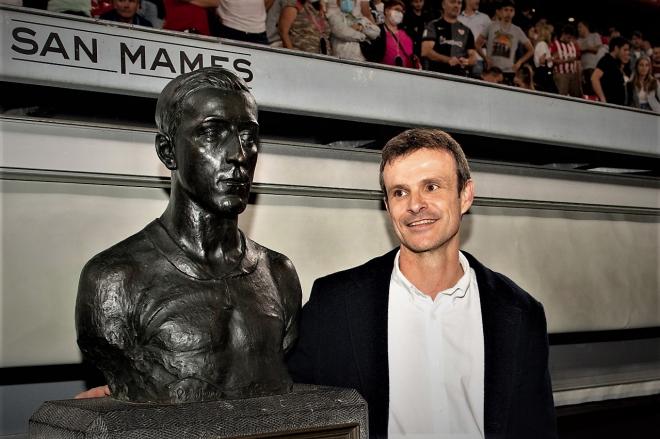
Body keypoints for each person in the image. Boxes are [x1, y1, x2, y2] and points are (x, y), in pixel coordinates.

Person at [287, 128, 557, 439]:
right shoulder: (334, 305)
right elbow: (291, 416)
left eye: (431, 187)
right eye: (400, 192)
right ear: (388, 206)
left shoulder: (520, 314)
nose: (415, 205)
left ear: (465, 195)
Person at [76, 67, 302, 403]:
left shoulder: (279, 274)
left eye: (248, 136)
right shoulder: (114, 280)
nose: (238, 155)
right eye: (212, 133)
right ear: (168, 151)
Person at [476, 0, 534, 84]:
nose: (508, 13)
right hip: (492, 71)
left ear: (514, 13)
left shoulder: (517, 30)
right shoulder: (491, 26)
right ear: (500, 11)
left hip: (509, 72)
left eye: (511, 10)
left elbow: (531, 50)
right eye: (506, 10)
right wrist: (485, 58)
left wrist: (519, 62)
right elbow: (477, 44)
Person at [421, 0, 476, 77]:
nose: (456, 5)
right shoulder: (433, 26)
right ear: (443, 4)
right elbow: (425, 51)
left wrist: (467, 61)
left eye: (459, 3)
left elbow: (473, 56)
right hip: (436, 75)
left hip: (459, 77)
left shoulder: (467, 30)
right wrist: (448, 60)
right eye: (452, 2)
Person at [591, 36, 630, 105]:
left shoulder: (617, 63)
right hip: (609, 106)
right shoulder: (606, 60)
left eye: (628, 50)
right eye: (625, 50)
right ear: (616, 48)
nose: (627, 52)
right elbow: (594, 78)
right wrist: (602, 99)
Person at [458, 0, 491, 78]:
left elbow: (492, 38)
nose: (478, 1)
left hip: (480, 58)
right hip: (462, 58)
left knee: (477, 80)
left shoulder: (485, 18)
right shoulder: (458, 18)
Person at [380, 0, 416, 68]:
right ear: (387, 11)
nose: (399, 13)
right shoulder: (378, 32)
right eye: (397, 9)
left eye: (401, 11)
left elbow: (410, 57)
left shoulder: (406, 34)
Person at [550, 25, 581, 97]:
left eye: (571, 38)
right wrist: (567, 60)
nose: (569, 39)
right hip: (561, 75)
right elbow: (552, 61)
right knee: (562, 96)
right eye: (568, 37)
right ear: (563, 34)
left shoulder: (573, 45)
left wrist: (578, 74)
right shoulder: (555, 44)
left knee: (576, 96)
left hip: (573, 74)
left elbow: (577, 60)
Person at [576, 20, 604, 96]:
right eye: (578, 27)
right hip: (584, 69)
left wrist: (584, 49)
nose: (578, 29)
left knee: (595, 90)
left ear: (586, 27)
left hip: (595, 67)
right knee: (587, 91)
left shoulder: (595, 36)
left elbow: (596, 49)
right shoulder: (578, 41)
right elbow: (578, 52)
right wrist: (588, 48)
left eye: (580, 27)